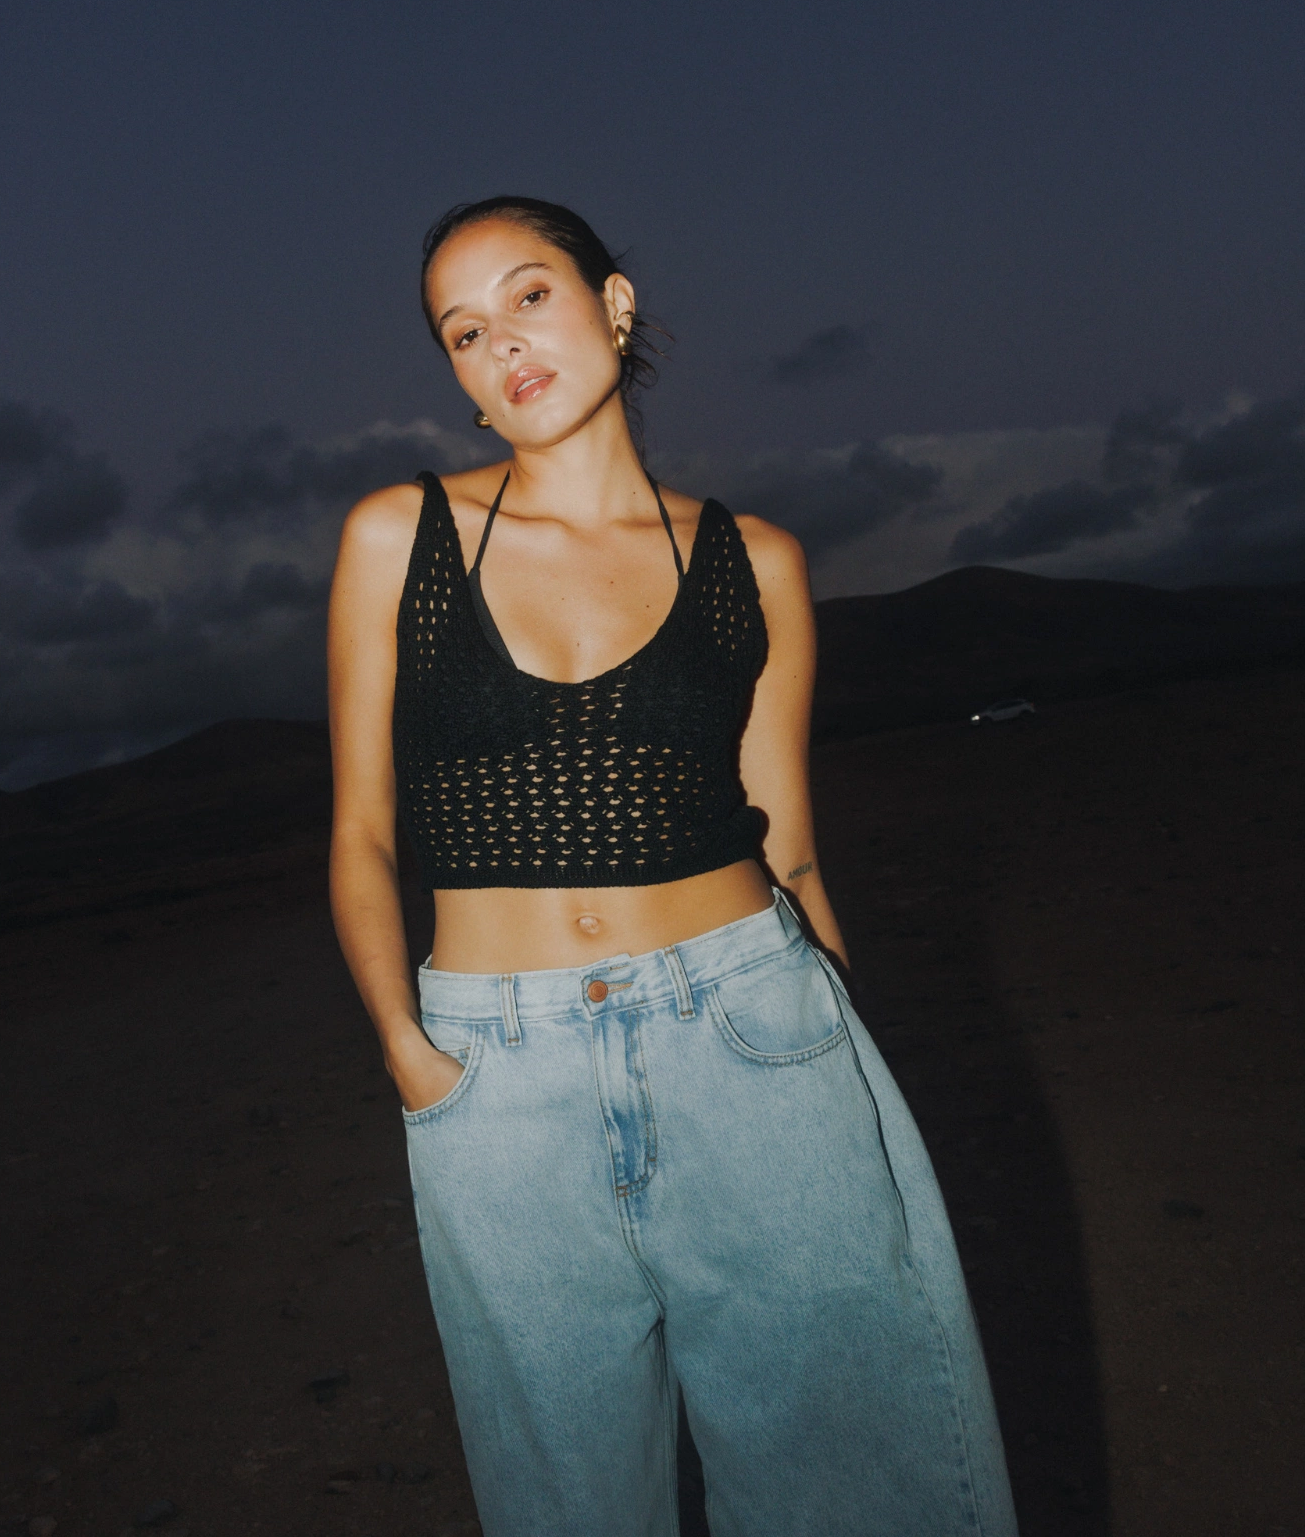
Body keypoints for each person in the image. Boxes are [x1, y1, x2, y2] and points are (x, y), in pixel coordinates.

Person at [327, 196, 1018, 1537]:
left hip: (754, 1034)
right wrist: (412, 1054)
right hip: (497, 1073)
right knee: (566, 1498)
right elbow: (361, 832)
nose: (501, 344)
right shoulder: (398, 538)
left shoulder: (758, 563)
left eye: (530, 296)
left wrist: (824, 1053)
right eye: (463, 332)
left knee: (847, 1476)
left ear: (616, 303)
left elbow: (791, 846)